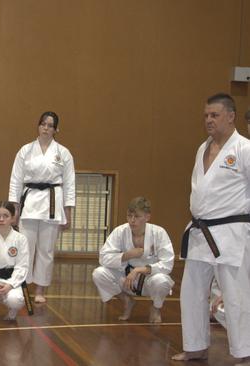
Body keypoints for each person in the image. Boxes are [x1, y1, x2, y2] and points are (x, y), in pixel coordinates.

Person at [172, 93, 250, 362]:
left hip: (232, 234)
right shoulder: (202, 148)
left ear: (231, 116)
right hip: (199, 232)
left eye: (214, 115)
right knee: (191, 292)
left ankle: (244, 353)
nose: (208, 120)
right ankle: (195, 346)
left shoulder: (244, 149)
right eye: (206, 115)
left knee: (236, 295)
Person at [8, 111, 75, 303]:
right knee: (25, 248)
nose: (46, 128)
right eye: (43, 124)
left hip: (52, 202)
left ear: (56, 130)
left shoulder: (63, 153)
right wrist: (15, 209)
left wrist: (68, 212)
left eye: (50, 125)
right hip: (29, 202)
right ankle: (23, 286)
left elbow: (70, 183)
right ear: (38, 126)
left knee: (46, 250)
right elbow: (16, 180)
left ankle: (40, 290)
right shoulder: (25, 151)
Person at [92, 197, 174, 323]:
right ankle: (127, 301)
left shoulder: (159, 233)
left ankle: (156, 307)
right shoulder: (120, 231)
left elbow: (168, 264)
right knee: (99, 273)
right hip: (125, 279)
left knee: (162, 281)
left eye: (137, 216)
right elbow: (103, 257)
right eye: (129, 216)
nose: (132, 220)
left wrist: (139, 270)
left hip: (149, 280)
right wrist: (127, 255)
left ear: (147, 217)